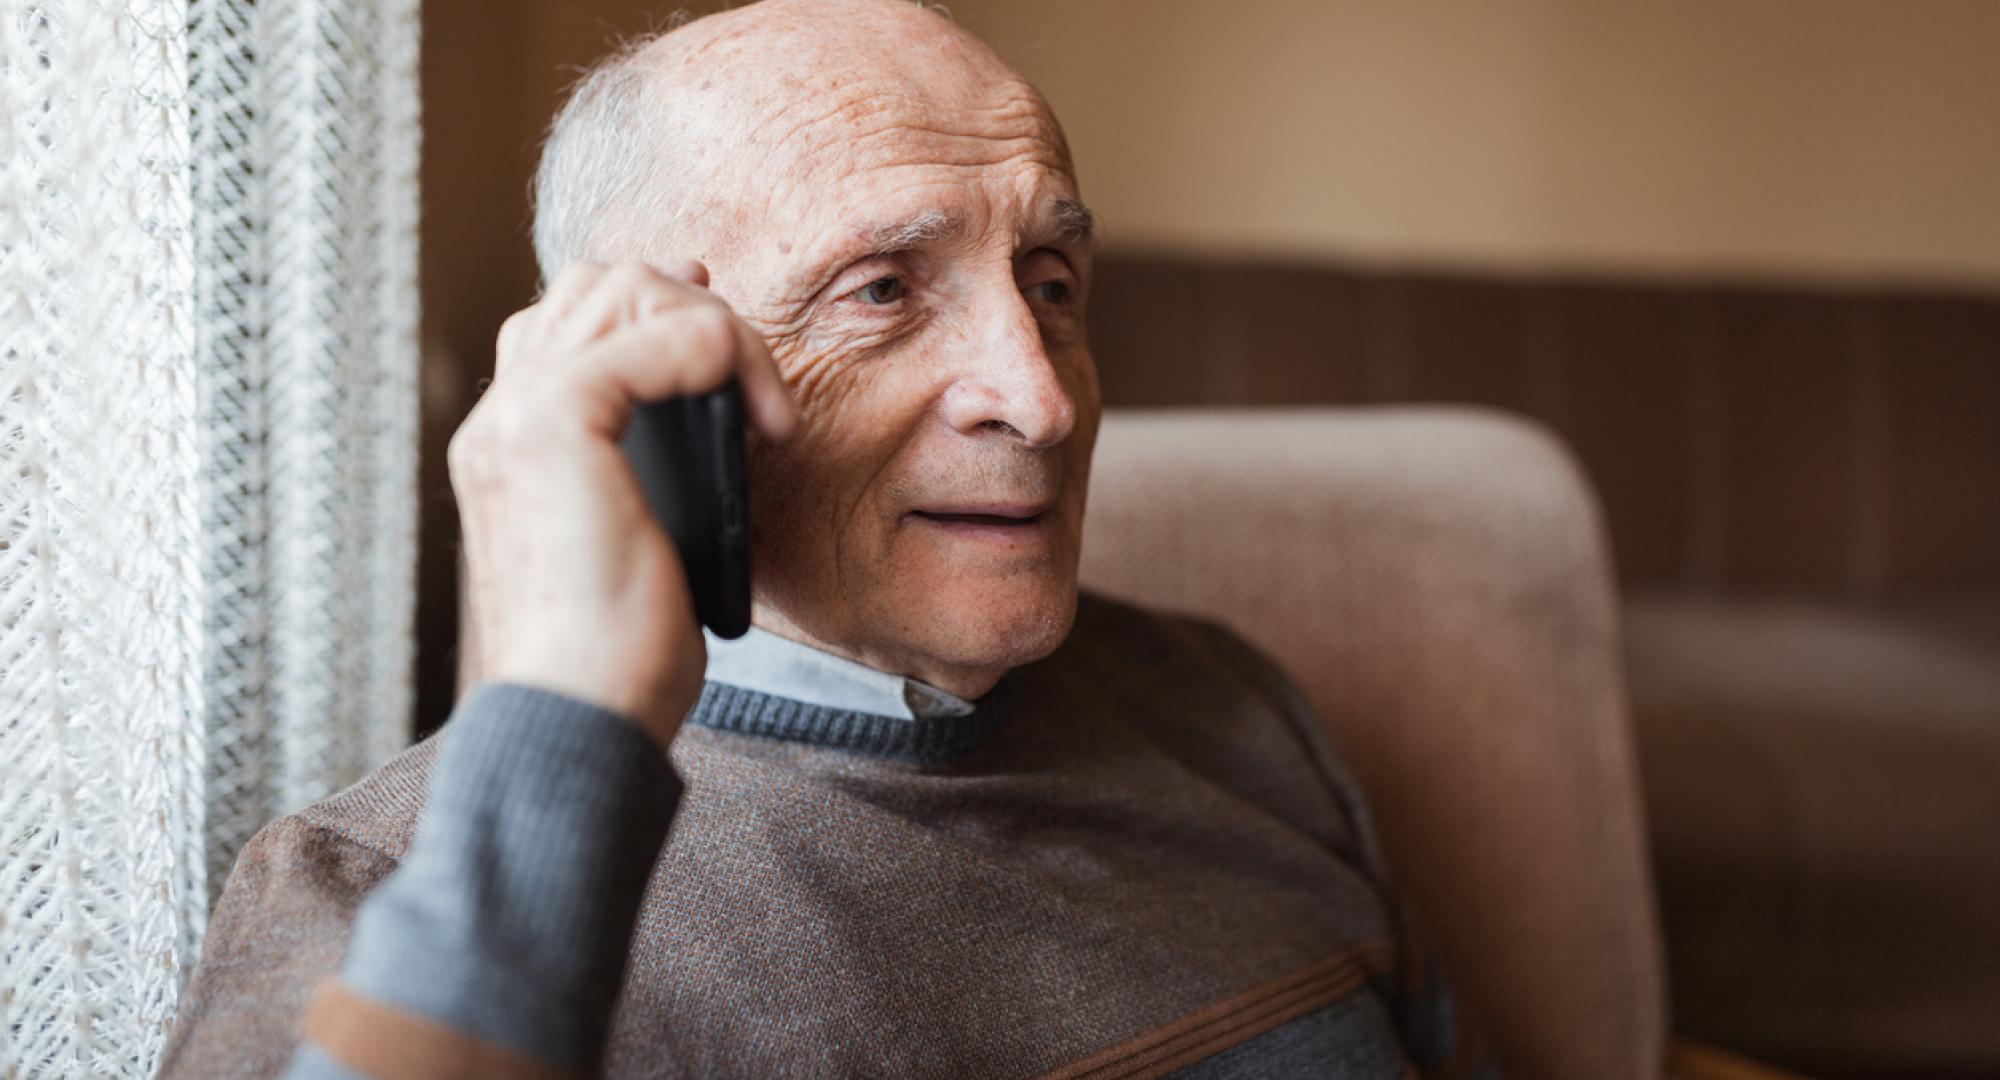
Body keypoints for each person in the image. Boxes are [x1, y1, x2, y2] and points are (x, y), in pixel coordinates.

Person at [157, 1, 1491, 1076]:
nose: (1036, 397)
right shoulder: (380, 903)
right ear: (645, 373)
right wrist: (563, 733)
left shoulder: (1228, 706)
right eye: (882, 290)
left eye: (1051, 284)